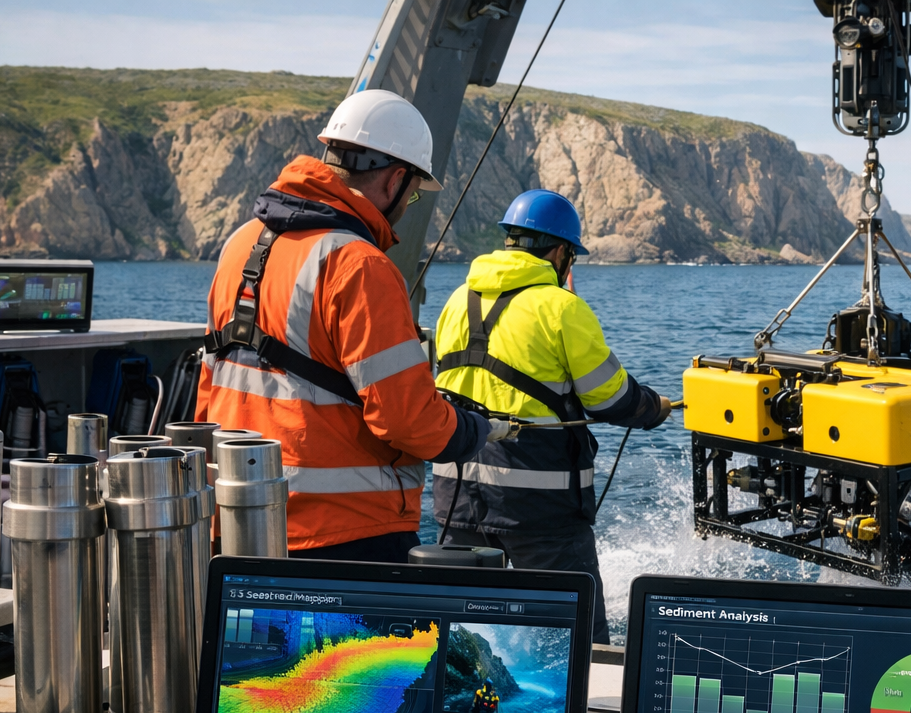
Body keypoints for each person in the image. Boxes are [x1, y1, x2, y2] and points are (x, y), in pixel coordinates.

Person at [196, 89, 490, 562]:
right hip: (344, 532)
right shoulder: (359, 265)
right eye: (414, 193)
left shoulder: (239, 245)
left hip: (239, 521)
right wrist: (471, 431)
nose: (409, 204)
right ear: (396, 179)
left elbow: (209, 389)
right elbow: (407, 419)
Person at [432, 189, 672, 644]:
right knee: (578, 637)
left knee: (468, 636)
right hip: (540, 509)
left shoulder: (457, 300)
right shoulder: (562, 308)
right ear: (561, 252)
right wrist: (652, 407)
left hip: (456, 497)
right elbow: (610, 398)